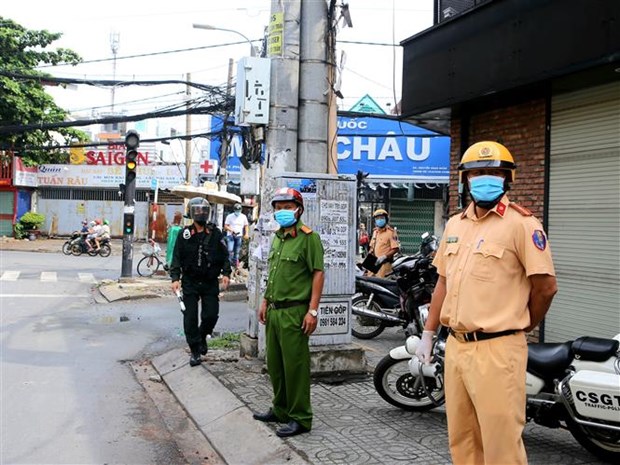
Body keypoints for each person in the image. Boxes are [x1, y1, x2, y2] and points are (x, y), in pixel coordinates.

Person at [416, 141, 558, 465]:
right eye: (477, 173)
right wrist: (428, 332)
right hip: (456, 346)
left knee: (500, 445)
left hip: (498, 351)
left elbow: (546, 287)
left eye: (493, 172)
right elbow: (443, 282)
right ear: (465, 179)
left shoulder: (523, 225)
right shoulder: (455, 225)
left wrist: (520, 324)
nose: (484, 178)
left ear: (507, 178)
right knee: (463, 439)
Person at [253, 187, 324, 438]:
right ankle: (280, 409)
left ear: (298, 209)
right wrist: (264, 301)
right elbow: (272, 274)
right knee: (275, 364)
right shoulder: (277, 237)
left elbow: (318, 273)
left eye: (287, 207)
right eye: (278, 207)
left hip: (295, 312)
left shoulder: (308, 238)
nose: (282, 212)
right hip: (274, 310)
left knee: (295, 367)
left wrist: (312, 311)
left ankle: (300, 417)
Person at [170, 197, 231, 367]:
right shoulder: (185, 234)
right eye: (197, 210)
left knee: (211, 315)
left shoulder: (215, 233)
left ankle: (203, 335)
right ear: (191, 213)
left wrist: (226, 272)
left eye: (204, 210)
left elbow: (224, 255)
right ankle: (195, 351)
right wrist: (175, 278)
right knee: (190, 318)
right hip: (190, 281)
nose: (201, 213)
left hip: (210, 281)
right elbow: (176, 257)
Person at [367, 208, 400, 277]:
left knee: (381, 284)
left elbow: (396, 248)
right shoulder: (375, 232)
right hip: (373, 262)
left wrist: (384, 256)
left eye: (381, 218)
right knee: (368, 283)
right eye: (377, 218)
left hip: (384, 265)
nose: (379, 220)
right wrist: (367, 263)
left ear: (386, 219)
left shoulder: (391, 232)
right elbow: (371, 248)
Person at [223, 202, 249, 268]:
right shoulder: (230, 216)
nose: (238, 212)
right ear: (234, 210)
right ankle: (228, 264)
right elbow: (226, 226)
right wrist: (231, 230)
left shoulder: (243, 217)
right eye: (236, 210)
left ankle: (235, 265)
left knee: (237, 251)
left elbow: (246, 226)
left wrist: (246, 233)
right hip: (230, 235)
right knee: (230, 250)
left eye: (239, 210)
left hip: (239, 236)